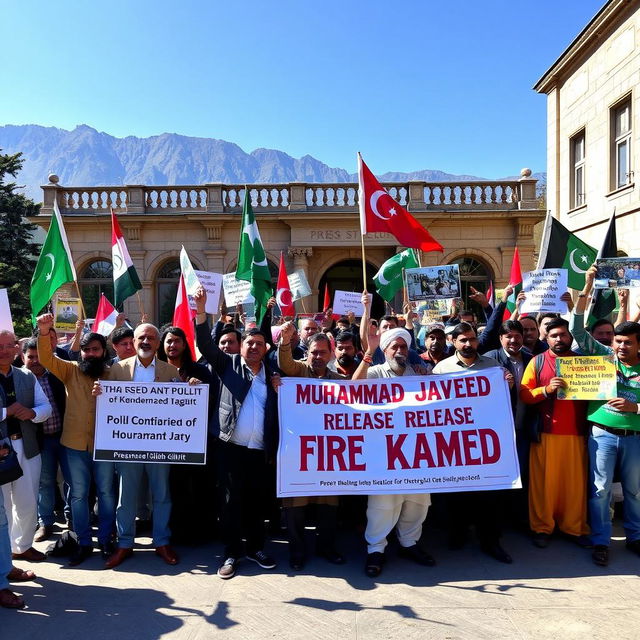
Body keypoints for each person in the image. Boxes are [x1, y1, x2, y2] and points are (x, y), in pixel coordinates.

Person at [194, 287, 279, 580]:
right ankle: (231, 553)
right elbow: (205, 344)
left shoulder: (273, 374)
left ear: (266, 349)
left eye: (259, 344)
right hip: (230, 447)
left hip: (260, 450)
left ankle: (256, 549)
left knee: (257, 502)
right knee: (230, 503)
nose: (254, 347)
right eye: (249, 343)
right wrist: (202, 310)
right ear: (240, 347)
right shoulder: (227, 365)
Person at [570, 265, 640, 566]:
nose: (622, 346)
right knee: (599, 490)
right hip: (602, 435)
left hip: (634, 438)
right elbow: (575, 329)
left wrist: (636, 408)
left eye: (628, 342)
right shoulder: (602, 358)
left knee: (635, 491)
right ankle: (601, 541)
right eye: (618, 342)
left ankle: (635, 537)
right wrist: (587, 287)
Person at [352, 326, 435, 578]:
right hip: (383, 452)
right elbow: (353, 389)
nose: (399, 351)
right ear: (385, 350)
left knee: (418, 501)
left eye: (403, 346)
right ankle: (376, 549)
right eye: (394, 347)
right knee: (382, 504)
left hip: (417, 451)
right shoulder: (376, 372)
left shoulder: (419, 373)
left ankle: (409, 543)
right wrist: (369, 351)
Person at [36, 313, 118, 566]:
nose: (90, 354)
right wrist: (43, 331)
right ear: (80, 352)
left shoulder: (114, 374)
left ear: (103, 351)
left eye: (95, 349)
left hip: (105, 445)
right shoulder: (70, 370)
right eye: (85, 350)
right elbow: (47, 358)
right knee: (79, 495)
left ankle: (106, 539)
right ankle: (83, 542)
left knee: (106, 493)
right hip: (74, 445)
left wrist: (108, 394)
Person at [432, 323, 513, 564]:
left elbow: (504, 402)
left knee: (488, 495)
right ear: (454, 342)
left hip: (486, 441)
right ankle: (458, 534)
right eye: (463, 340)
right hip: (455, 442)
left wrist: (507, 386)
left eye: (472, 339)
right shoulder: (441, 369)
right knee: (458, 494)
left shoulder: (493, 367)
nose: (469, 344)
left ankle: (490, 541)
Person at [102, 323, 181, 569]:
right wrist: (99, 392)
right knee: (127, 497)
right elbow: (108, 402)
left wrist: (190, 389)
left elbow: (182, 407)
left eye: (151, 338)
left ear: (158, 343)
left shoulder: (170, 371)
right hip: (127, 446)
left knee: (162, 495)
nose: (146, 342)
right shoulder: (117, 369)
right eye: (141, 338)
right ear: (133, 342)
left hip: (160, 446)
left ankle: (162, 541)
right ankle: (125, 543)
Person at [277, 323, 345, 570]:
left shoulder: (338, 381)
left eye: (323, 353)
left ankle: (326, 547)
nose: (318, 357)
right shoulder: (298, 372)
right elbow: (285, 363)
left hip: (329, 454)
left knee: (328, 506)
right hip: (298, 453)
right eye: (314, 352)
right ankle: (297, 551)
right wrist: (285, 341)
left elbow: (357, 395)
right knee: (295, 507)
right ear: (307, 353)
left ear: (331, 354)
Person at [520, 318, 590, 549]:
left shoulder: (585, 363)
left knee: (574, 486)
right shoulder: (537, 362)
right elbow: (525, 394)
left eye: (563, 335)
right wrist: (546, 390)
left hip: (577, 433)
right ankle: (542, 528)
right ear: (546, 338)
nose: (559, 339)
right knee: (543, 486)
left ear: (570, 337)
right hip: (546, 433)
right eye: (554, 336)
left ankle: (574, 527)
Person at [157, 325, 218, 545]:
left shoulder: (200, 371)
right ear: (162, 346)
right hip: (166, 443)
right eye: (168, 341)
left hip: (196, 442)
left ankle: (202, 530)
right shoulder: (156, 371)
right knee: (174, 487)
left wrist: (199, 391)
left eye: (177, 341)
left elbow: (212, 404)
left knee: (200, 486)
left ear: (185, 344)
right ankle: (177, 531)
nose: (172, 345)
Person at [0, 330, 52, 563]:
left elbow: (46, 408)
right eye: (0, 346)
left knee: (28, 500)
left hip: (27, 446)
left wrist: (32, 413)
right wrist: (5, 412)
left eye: (9, 345)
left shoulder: (26, 376)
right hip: (1, 450)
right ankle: (5, 553)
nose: (4, 351)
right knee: (3, 505)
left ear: (17, 349)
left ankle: (21, 546)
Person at [484, 321, 533, 526]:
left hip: (524, 430)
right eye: (508, 336)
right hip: (499, 434)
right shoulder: (490, 360)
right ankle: (498, 522)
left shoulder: (531, 359)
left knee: (522, 477)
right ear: (500, 339)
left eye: (517, 335)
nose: (513, 340)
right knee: (499, 479)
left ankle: (519, 521)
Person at [22, 339, 70, 542]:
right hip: (40, 441)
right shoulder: (20, 380)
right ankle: (46, 523)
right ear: (22, 357)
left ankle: (73, 521)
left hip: (65, 436)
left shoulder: (58, 375)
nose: (35, 361)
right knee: (45, 482)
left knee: (71, 481)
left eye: (38, 356)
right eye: (30, 357)